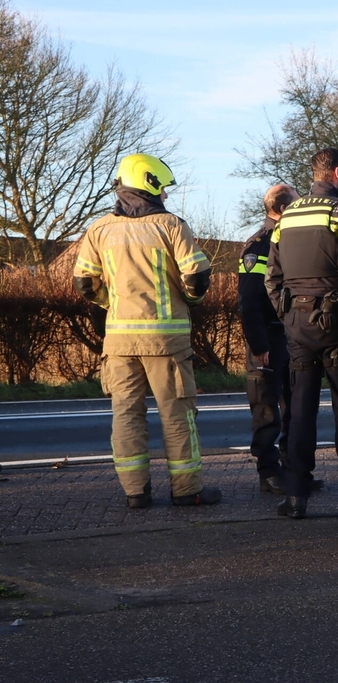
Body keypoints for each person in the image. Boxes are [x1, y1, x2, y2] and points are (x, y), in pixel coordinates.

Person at [72, 153, 221, 508]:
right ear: (149, 183)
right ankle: (187, 490)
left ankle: (135, 493)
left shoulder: (99, 229)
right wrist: (189, 299)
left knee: (126, 415)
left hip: (119, 342)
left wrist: (112, 303)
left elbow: (83, 283)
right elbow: (197, 276)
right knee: (177, 415)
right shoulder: (170, 226)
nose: (166, 196)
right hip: (165, 341)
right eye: (163, 188)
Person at [265, 147, 338, 520]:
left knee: (300, 410)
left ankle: (296, 497)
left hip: (297, 327)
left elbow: (272, 278)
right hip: (337, 325)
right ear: (337, 173)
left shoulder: (288, 214)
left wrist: (288, 315)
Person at [238, 183, 320, 495]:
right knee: (266, 409)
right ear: (284, 209)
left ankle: (293, 472)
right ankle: (268, 473)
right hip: (269, 340)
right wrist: (259, 345)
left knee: (295, 407)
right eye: (298, 205)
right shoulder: (259, 244)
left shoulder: (291, 240)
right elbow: (249, 299)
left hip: (292, 336)